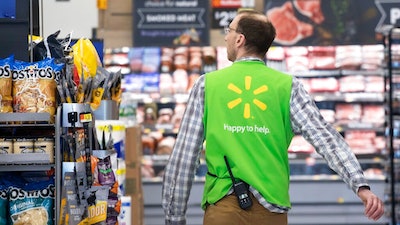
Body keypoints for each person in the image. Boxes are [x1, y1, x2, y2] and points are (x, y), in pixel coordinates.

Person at [161, 9, 385, 225]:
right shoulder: (287, 87)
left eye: (229, 31)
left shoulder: (207, 85)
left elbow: (184, 158)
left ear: (240, 40)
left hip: (223, 207)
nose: (226, 37)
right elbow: (325, 138)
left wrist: (174, 217)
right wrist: (360, 185)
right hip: (271, 209)